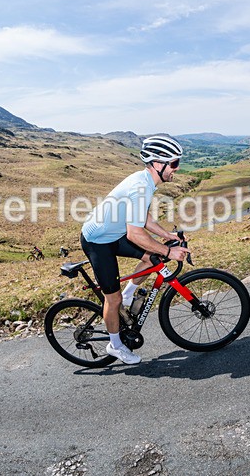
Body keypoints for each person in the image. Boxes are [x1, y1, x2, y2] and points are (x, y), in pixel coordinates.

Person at [79, 135, 190, 364]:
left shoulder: (145, 181)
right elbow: (134, 234)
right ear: (158, 164)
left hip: (114, 234)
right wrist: (169, 251)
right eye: (174, 163)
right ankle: (115, 345)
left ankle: (129, 295)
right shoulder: (141, 186)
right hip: (97, 241)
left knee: (153, 258)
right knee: (113, 299)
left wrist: (166, 236)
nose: (176, 169)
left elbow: (143, 217)